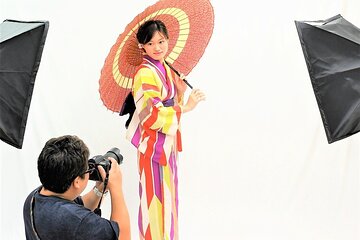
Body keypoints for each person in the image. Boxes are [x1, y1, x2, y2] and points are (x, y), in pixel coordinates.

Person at [126, 20, 206, 240]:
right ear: (142, 46)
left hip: (167, 145)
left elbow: (167, 102)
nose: (158, 47)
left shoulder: (165, 68)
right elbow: (151, 114)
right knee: (154, 200)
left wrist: (179, 92)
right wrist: (185, 106)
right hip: (153, 148)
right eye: (150, 43)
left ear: (168, 40)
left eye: (161, 41)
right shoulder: (144, 73)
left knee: (169, 199)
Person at [23, 135, 131, 240]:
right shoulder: (78, 222)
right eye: (87, 168)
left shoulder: (34, 197)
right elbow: (122, 236)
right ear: (77, 181)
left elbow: (76, 206)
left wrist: (100, 189)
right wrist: (116, 188)